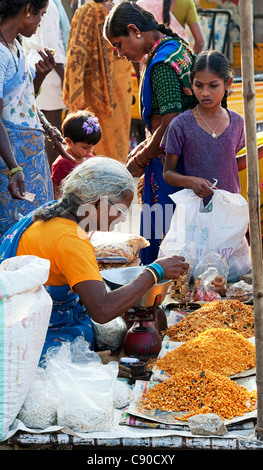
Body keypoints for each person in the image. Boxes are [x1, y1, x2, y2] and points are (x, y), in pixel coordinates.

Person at [0, 157, 189, 364]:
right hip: (32, 335)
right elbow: (102, 310)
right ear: (99, 203)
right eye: (120, 211)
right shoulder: (71, 240)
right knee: (109, 334)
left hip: (14, 317)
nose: (123, 219)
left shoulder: (50, 212)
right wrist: (154, 272)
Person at [103, 0, 195, 264]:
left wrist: (143, 158)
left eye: (119, 44)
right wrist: (143, 148)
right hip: (182, 155)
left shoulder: (163, 63)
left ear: (135, 30)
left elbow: (170, 122)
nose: (120, 53)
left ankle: (163, 290)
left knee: (165, 231)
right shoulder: (174, 47)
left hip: (172, 163)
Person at [0, 0, 69, 237]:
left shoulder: (16, 47)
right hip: (13, 163)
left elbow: (22, 101)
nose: (41, 21)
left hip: (28, 162)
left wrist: (39, 77)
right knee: (14, 230)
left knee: (35, 224)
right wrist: (12, 168)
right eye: (41, 14)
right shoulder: (0, 54)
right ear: (28, 10)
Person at [162, 50, 246, 201]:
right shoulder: (181, 125)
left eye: (213, 86)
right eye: (199, 85)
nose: (205, 93)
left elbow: (231, 165)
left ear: (228, 83)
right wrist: (191, 182)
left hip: (229, 209)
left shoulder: (237, 122)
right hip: (197, 212)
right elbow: (168, 172)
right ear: (191, 83)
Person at [63, 0, 133, 162]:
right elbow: (76, 56)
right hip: (95, 95)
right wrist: (76, 99)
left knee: (119, 147)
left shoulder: (122, 9)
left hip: (122, 91)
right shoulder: (87, 12)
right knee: (92, 146)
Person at [22, 0, 70, 166]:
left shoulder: (47, 4)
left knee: (46, 125)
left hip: (43, 66)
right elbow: (51, 48)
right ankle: (52, 172)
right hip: (50, 70)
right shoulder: (48, 6)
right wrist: (66, 79)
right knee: (52, 125)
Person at [51, 110, 101, 198]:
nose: (89, 151)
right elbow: (55, 194)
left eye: (92, 147)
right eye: (85, 148)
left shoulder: (90, 157)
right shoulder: (61, 165)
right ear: (69, 142)